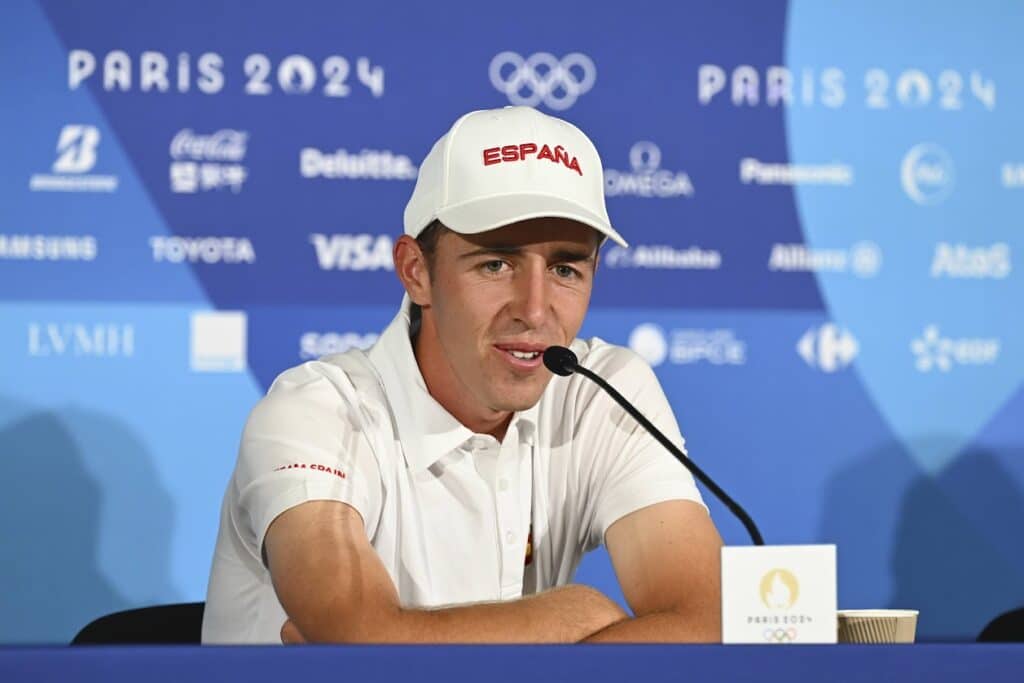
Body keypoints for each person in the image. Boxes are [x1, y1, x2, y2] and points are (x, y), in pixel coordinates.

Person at [201, 106, 723, 644]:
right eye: (496, 264)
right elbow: (359, 639)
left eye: (565, 268)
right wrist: (573, 618)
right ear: (416, 272)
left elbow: (707, 623)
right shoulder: (315, 413)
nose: (535, 310)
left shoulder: (601, 394)